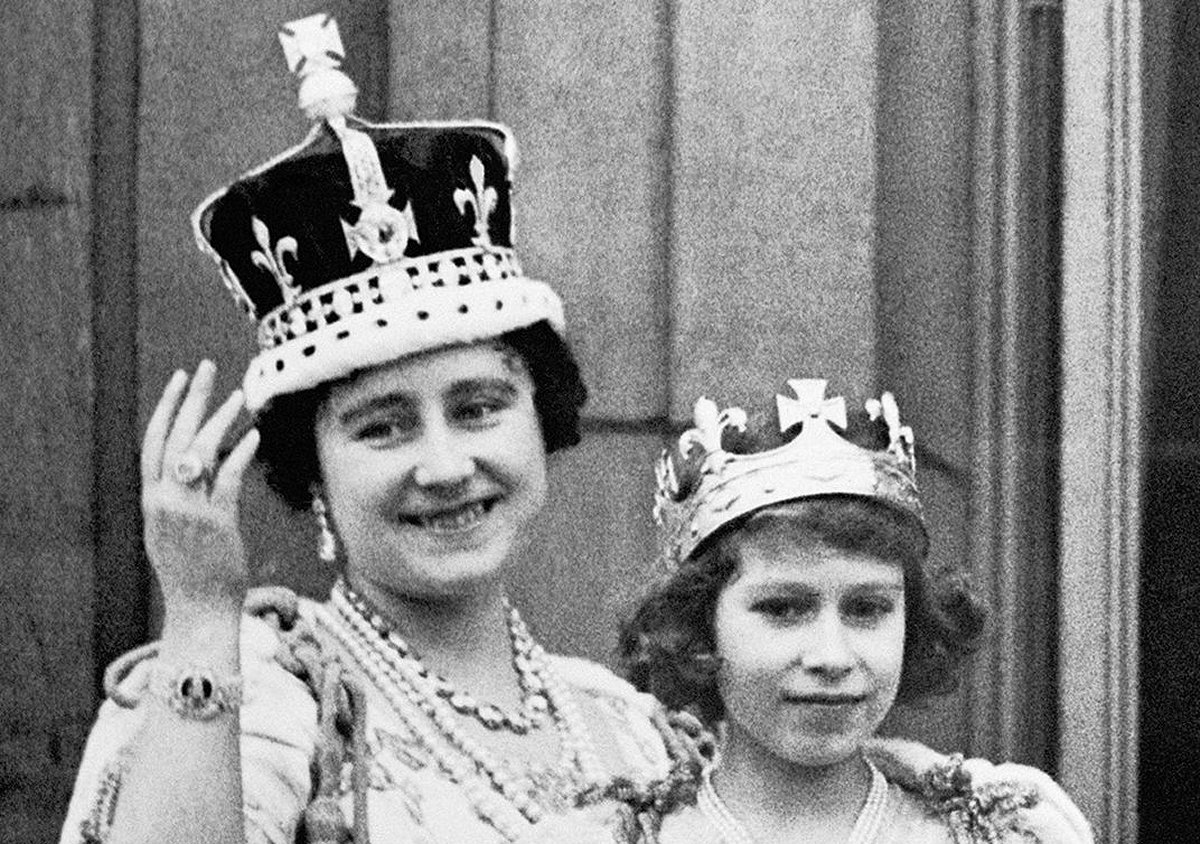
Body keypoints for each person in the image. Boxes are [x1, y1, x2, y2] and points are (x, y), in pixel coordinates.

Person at [58, 14, 704, 844]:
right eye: (383, 428)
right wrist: (197, 613)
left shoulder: (627, 725)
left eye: (478, 409)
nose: (444, 465)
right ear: (313, 471)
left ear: (540, 420)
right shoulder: (253, 690)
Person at [617, 379, 1096, 843]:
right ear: (700, 629)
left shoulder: (997, 831)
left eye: (867, 608)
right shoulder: (624, 834)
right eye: (782, 609)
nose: (832, 657)